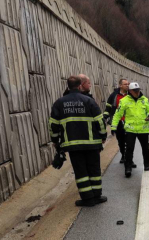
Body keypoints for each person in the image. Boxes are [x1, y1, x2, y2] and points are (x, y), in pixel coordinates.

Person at [49, 75, 107, 207]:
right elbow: (100, 120)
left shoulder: (59, 103)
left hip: (73, 145)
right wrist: (103, 136)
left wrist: (55, 140)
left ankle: (87, 199)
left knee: (81, 172)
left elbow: (53, 124)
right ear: (80, 85)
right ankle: (97, 196)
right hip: (92, 143)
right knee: (94, 170)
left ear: (68, 86)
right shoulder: (88, 100)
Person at [111, 82, 149, 177]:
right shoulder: (124, 101)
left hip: (143, 129)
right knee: (129, 149)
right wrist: (113, 127)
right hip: (130, 129)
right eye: (135, 91)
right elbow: (117, 114)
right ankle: (128, 168)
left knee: (145, 149)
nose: (137, 92)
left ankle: (146, 164)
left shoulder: (144, 99)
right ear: (130, 91)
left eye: (138, 90)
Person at [104, 79, 136, 167]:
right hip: (118, 122)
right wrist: (105, 117)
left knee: (129, 141)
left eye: (128, 84)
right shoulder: (113, 96)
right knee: (121, 141)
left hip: (129, 122)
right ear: (120, 85)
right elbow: (108, 108)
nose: (127, 85)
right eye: (125, 84)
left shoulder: (131, 94)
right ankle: (123, 155)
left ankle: (130, 160)